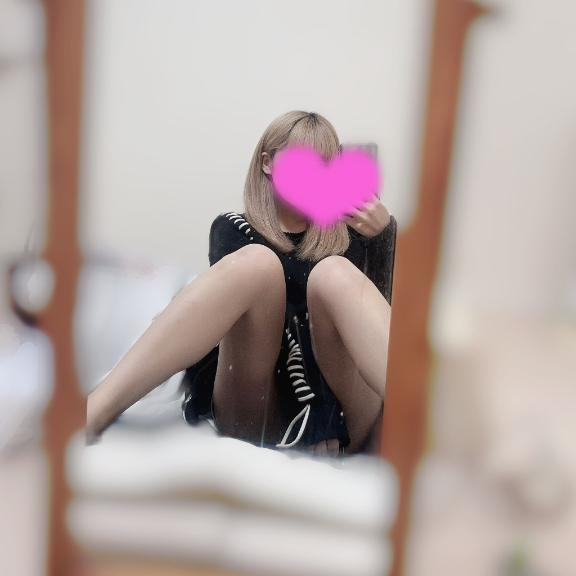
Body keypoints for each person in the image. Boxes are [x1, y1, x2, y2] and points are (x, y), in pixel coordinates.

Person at [86, 110, 396, 457]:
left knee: (333, 273)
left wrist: (383, 237)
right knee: (258, 263)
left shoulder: (352, 238)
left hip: (346, 411)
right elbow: (251, 314)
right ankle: (94, 411)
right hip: (258, 406)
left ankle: (421, 423)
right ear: (267, 163)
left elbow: (373, 327)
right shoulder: (235, 230)